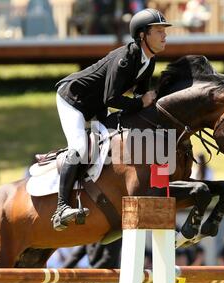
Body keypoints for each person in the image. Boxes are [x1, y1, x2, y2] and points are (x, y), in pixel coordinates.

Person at [47, 8, 172, 231]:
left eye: (165, 31)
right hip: (73, 98)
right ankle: (61, 208)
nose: (165, 36)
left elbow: (137, 98)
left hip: (96, 105)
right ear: (142, 35)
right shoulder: (126, 58)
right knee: (79, 147)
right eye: (159, 31)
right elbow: (112, 97)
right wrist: (140, 103)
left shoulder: (149, 61)